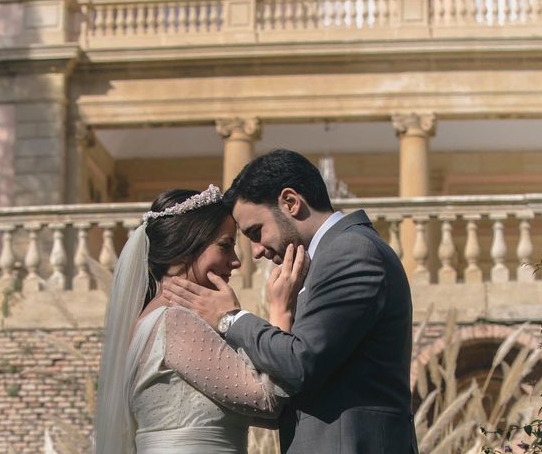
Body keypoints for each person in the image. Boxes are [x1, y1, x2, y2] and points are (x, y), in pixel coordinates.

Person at [164, 150, 419, 454]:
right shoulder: (326, 257)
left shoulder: (351, 251)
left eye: (256, 233)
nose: (255, 252)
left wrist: (230, 317)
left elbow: (301, 362)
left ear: (290, 202)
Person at [93, 186, 296, 454]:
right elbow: (267, 401)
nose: (236, 262)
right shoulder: (174, 321)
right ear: (184, 247)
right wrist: (280, 310)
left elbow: (256, 413)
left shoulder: (157, 318)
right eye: (225, 246)